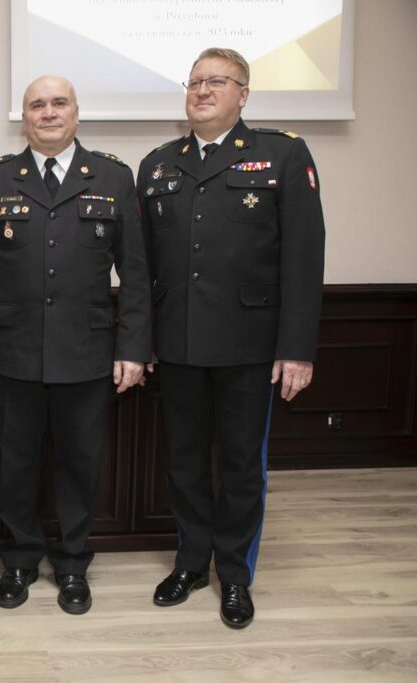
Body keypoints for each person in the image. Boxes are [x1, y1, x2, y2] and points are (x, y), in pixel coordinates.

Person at [136, 47, 325, 629]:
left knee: (242, 465)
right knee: (185, 462)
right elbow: (144, 267)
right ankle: (192, 562)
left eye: (216, 81)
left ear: (243, 94)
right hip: (179, 343)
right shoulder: (158, 165)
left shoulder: (283, 154)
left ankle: (236, 575)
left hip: (250, 344)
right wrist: (142, 341)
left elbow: (304, 258)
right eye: (194, 81)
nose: (201, 90)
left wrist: (296, 348)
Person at [0, 75, 151, 616]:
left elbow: (135, 274)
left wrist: (133, 349)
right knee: (13, 463)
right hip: (11, 353)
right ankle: (20, 559)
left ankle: (71, 563)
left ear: (76, 112)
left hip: (86, 352)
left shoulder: (113, 177)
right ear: (24, 118)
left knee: (79, 464)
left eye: (58, 103)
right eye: (37, 105)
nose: (48, 112)